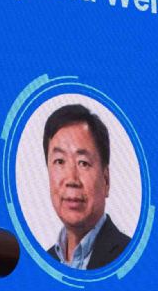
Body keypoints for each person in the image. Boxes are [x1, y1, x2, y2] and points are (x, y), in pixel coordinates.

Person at [42, 104, 130, 270]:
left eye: (83, 163)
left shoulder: (129, 256)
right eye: (59, 161)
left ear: (106, 180)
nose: (71, 179)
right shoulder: (43, 262)